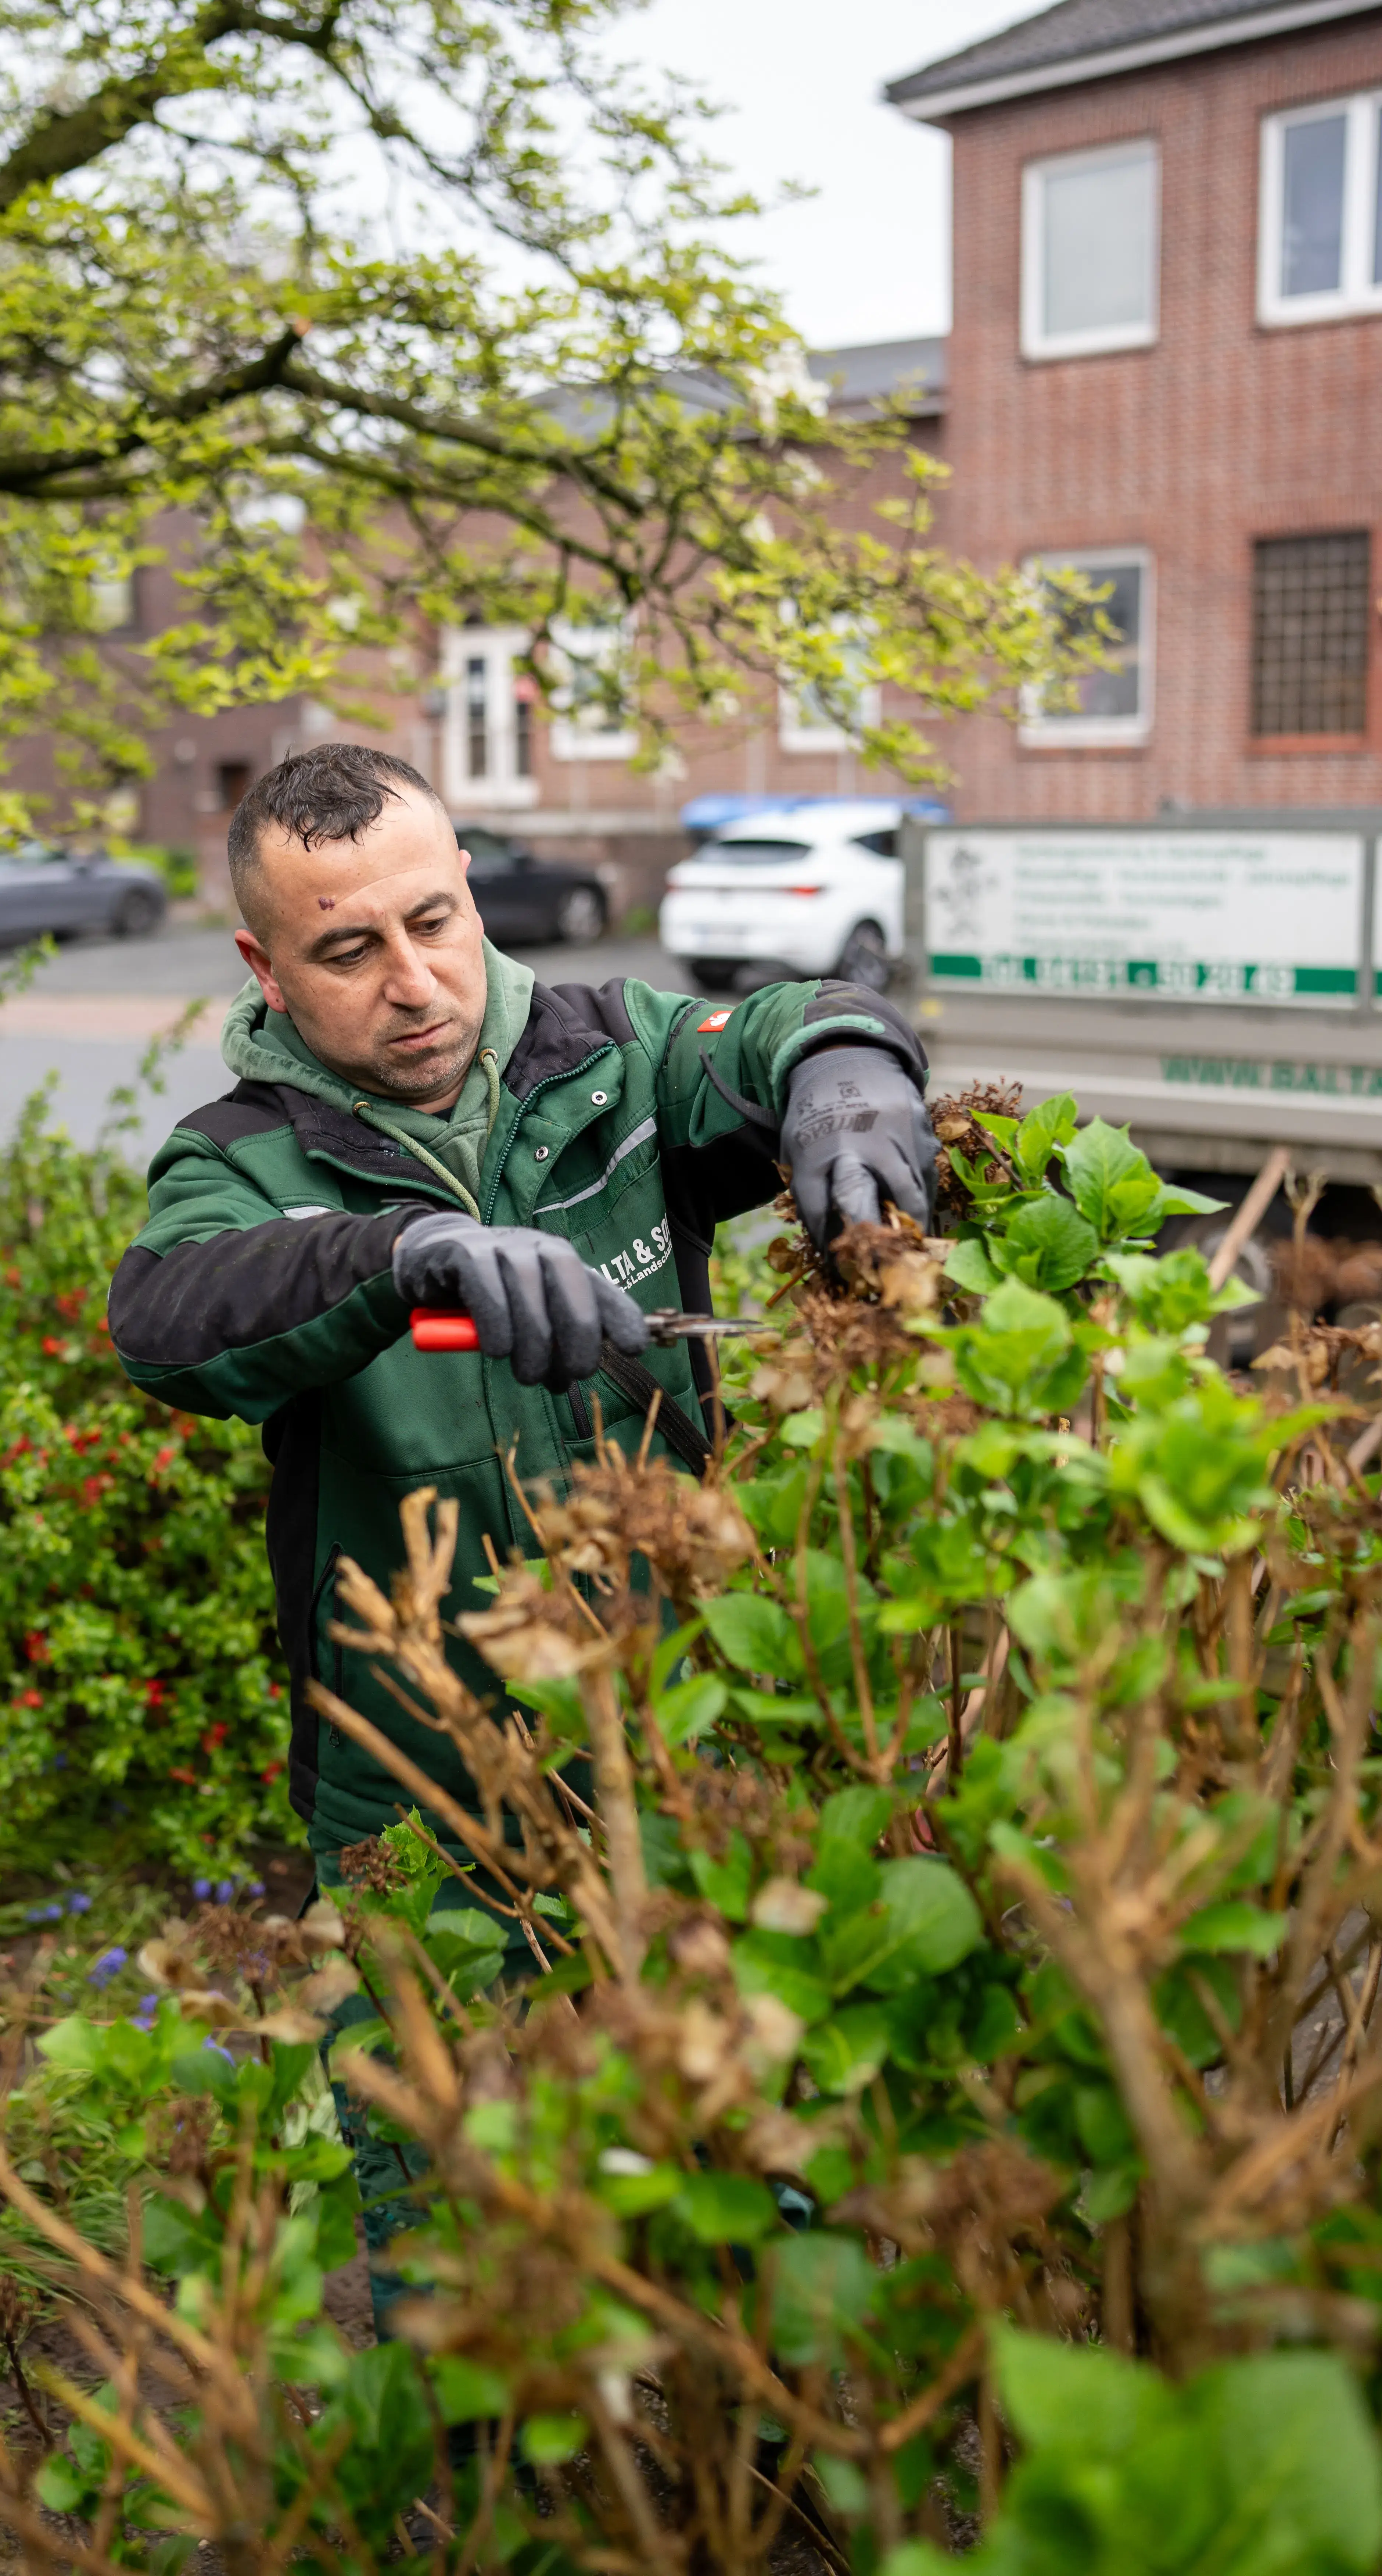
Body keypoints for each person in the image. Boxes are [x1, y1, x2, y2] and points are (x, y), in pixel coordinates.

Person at [107, 743, 935, 2320]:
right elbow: (169, 1320)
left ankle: (733, 2466)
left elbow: (755, 1031)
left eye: (435, 922)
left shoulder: (610, 1058)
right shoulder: (240, 1162)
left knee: (726, 2154)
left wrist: (844, 1066)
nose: (415, 984)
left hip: (674, 1731)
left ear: (471, 891)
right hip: (417, 1782)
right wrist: (405, 1254)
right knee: (458, 2223)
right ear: (263, 965)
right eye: (348, 950)